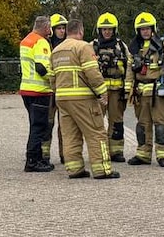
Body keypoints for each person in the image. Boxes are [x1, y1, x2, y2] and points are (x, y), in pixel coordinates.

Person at [51, 19, 118, 179]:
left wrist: (58, 93)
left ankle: (74, 169)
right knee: (96, 132)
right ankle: (102, 169)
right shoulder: (83, 47)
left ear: (67, 31)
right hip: (82, 99)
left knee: (70, 135)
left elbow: (52, 78)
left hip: (62, 99)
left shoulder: (56, 50)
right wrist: (103, 92)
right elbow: (92, 73)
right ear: (80, 31)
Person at [125, 12, 164, 167]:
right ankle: (143, 154)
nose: (145, 31)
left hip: (159, 93)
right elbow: (129, 70)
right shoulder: (134, 48)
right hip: (141, 93)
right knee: (142, 126)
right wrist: (128, 90)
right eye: (142, 29)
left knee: (161, 125)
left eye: (147, 28)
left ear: (153, 28)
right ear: (138, 31)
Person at [92, 12, 132, 162]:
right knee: (96, 123)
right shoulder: (92, 46)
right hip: (98, 93)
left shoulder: (122, 46)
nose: (107, 32)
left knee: (117, 122)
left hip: (116, 92)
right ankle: (99, 152)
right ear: (99, 30)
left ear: (114, 30)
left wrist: (127, 89)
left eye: (109, 29)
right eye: (104, 29)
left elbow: (129, 67)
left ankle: (116, 151)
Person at [19, 15, 54, 172]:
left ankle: (37, 158)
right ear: (46, 27)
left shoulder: (26, 40)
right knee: (39, 127)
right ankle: (33, 161)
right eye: (50, 27)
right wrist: (55, 79)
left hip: (27, 89)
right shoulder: (41, 42)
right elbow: (42, 68)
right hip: (39, 90)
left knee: (35, 125)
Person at [45, 13, 70, 164]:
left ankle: (65, 154)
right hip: (49, 91)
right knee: (47, 123)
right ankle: (45, 154)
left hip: (64, 91)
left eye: (63, 28)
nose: (62, 31)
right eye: (59, 28)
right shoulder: (46, 45)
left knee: (65, 126)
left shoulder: (69, 45)